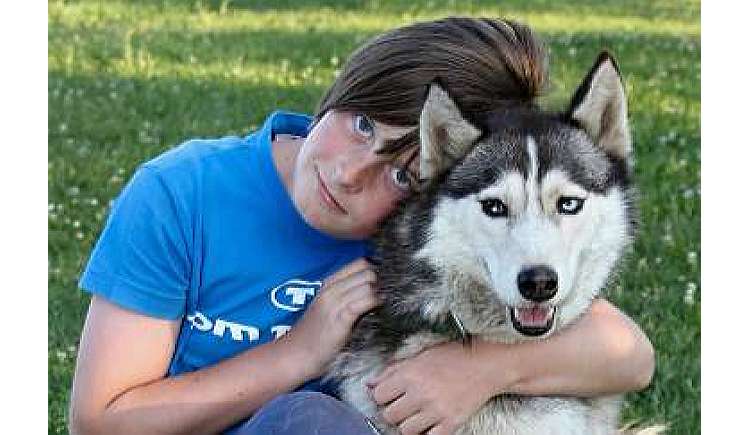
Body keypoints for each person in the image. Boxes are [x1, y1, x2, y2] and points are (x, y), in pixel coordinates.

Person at [68, 17, 655, 435]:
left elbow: (629, 355)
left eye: (401, 176)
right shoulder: (182, 193)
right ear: (342, 89)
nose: (350, 174)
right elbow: (100, 420)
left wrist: (480, 368)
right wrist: (298, 354)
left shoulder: (422, 245)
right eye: (362, 125)